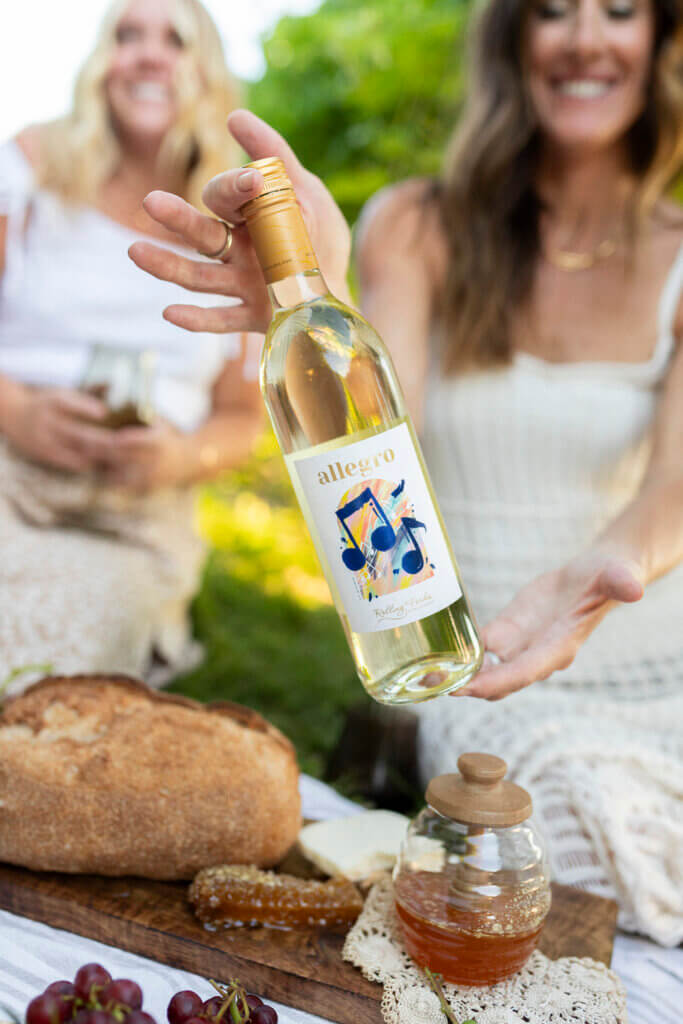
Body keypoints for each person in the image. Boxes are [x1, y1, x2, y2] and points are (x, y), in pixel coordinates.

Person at [130, 0, 683, 944]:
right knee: (552, 823)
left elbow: (671, 485)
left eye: (618, 11)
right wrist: (321, 298)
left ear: (659, 43)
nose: (585, 37)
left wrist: (598, 575)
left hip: (638, 643)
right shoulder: (417, 224)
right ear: (514, 43)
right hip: (482, 660)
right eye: (554, 11)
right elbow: (376, 434)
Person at [0, 0, 262, 692]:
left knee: (45, 662)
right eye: (127, 35)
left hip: (133, 516)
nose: (149, 54)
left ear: (204, 71)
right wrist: (18, 414)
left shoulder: (239, 229)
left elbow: (243, 417)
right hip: (7, 468)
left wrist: (181, 457)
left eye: (175, 39)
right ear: (100, 63)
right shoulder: (29, 169)